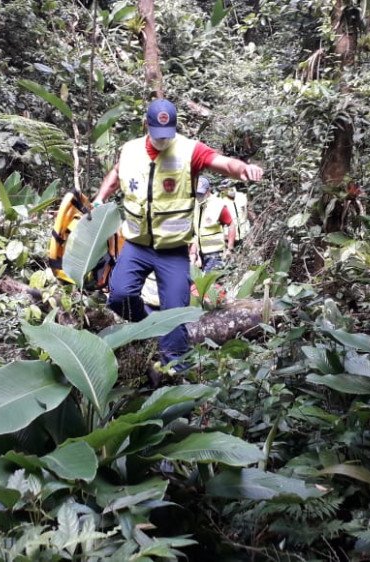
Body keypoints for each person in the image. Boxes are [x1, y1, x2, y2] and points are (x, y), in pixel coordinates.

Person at [91, 99, 264, 372]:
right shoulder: (130, 150)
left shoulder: (189, 150)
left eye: (167, 135)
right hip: (136, 244)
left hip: (172, 250)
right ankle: (150, 327)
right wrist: (100, 198)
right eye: (158, 135)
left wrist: (243, 169)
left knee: (174, 314)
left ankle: (176, 373)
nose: (163, 140)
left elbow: (221, 163)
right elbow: (115, 174)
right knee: (119, 296)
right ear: (146, 125)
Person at [190, 177, 236, 272]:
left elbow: (231, 224)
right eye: (197, 193)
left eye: (201, 193)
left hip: (215, 253)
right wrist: (194, 252)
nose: (199, 196)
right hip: (200, 253)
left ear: (208, 190)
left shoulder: (218, 205)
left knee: (210, 280)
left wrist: (230, 248)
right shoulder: (196, 204)